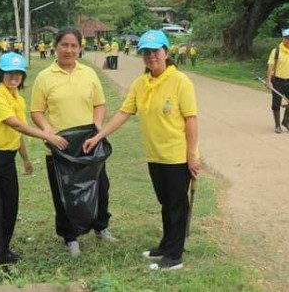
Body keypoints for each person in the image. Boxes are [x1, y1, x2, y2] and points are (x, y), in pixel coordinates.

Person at [82, 29, 201, 271]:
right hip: (155, 155)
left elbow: (191, 120)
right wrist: (99, 136)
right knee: (165, 203)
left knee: (177, 205)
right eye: (146, 52)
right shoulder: (140, 83)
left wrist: (191, 155)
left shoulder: (181, 82)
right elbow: (124, 113)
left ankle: (174, 256)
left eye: (155, 51)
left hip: (177, 156)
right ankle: (166, 245)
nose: (151, 56)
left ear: (166, 52)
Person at [0, 52, 68, 274]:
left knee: (10, 208)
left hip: (7, 159)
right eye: (9, 73)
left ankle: (4, 250)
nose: (14, 77)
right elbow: (16, 124)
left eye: (19, 74)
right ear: (1, 74)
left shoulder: (18, 98)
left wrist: (24, 158)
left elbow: (17, 133)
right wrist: (48, 136)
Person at [30, 27, 117, 258]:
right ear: (55, 47)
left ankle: (101, 227)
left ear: (80, 48)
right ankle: (70, 238)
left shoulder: (88, 73)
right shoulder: (44, 77)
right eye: (64, 45)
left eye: (73, 46)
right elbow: (37, 111)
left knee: (100, 187)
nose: (69, 50)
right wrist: (48, 132)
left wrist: (98, 124)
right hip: (61, 146)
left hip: (89, 142)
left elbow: (99, 104)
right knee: (63, 194)